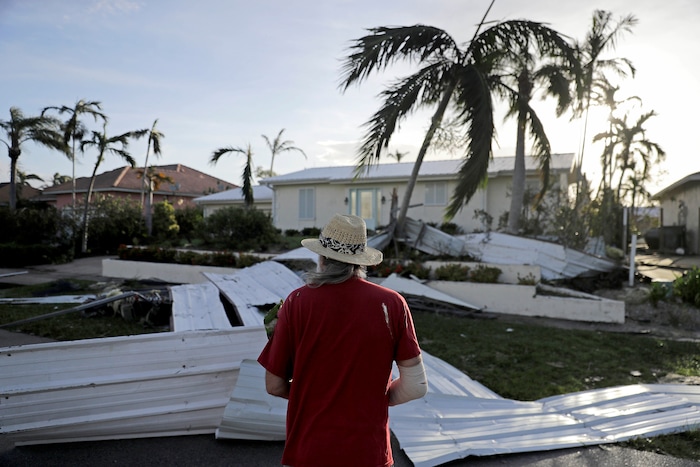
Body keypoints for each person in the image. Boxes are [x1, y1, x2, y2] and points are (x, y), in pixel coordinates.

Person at [258, 213, 427, 467]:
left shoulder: (297, 303)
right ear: (359, 261)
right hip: (369, 451)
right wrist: (374, 399)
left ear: (322, 257)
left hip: (309, 450)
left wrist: (313, 396)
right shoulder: (392, 303)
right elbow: (416, 386)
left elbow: (274, 385)